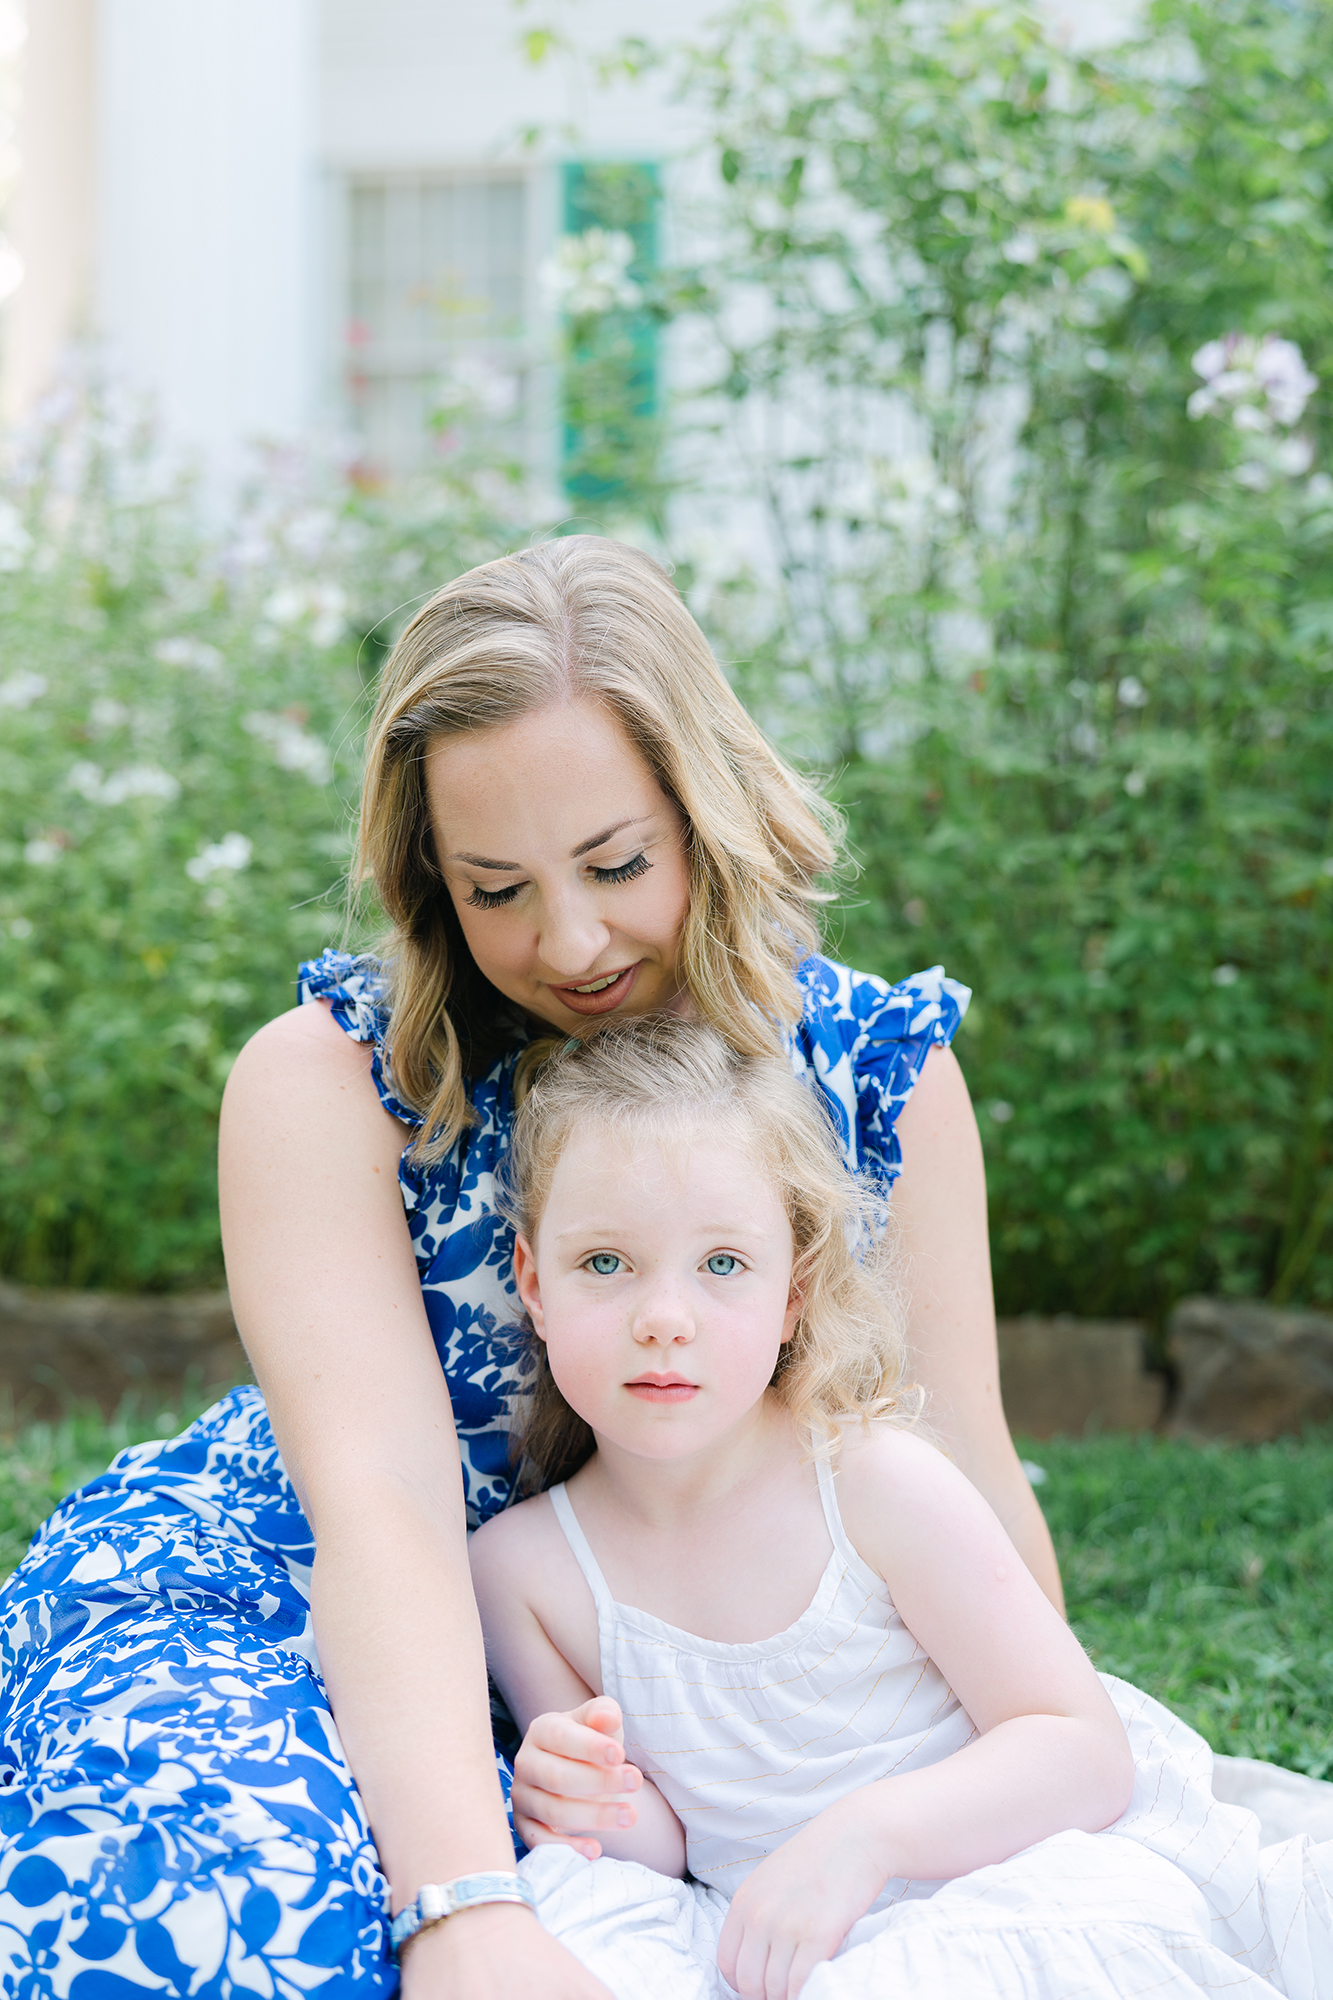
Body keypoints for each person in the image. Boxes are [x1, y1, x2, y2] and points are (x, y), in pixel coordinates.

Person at [0, 536, 1073, 1999]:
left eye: (617, 863)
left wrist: (1046, 1772)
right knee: (228, 1934)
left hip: (634, 1689)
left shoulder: (878, 1078)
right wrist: (462, 1911)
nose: (568, 942)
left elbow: (966, 1459)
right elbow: (381, 1505)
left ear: (712, 807)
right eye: (495, 888)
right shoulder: (331, 1085)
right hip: (291, 1596)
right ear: (428, 875)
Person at [467, 1017, 1331, 2000]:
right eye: (606, 1263)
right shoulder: (523, 1567)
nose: (664, 1316)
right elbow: (662, 1842)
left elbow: (1081, 1748)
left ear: (790, 1294)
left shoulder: (871, 1481)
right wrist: (577, 1789)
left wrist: (862, 1832)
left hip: (1007, 1875)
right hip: (758, 1930)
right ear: (534, 1283)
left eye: (720, 1264)